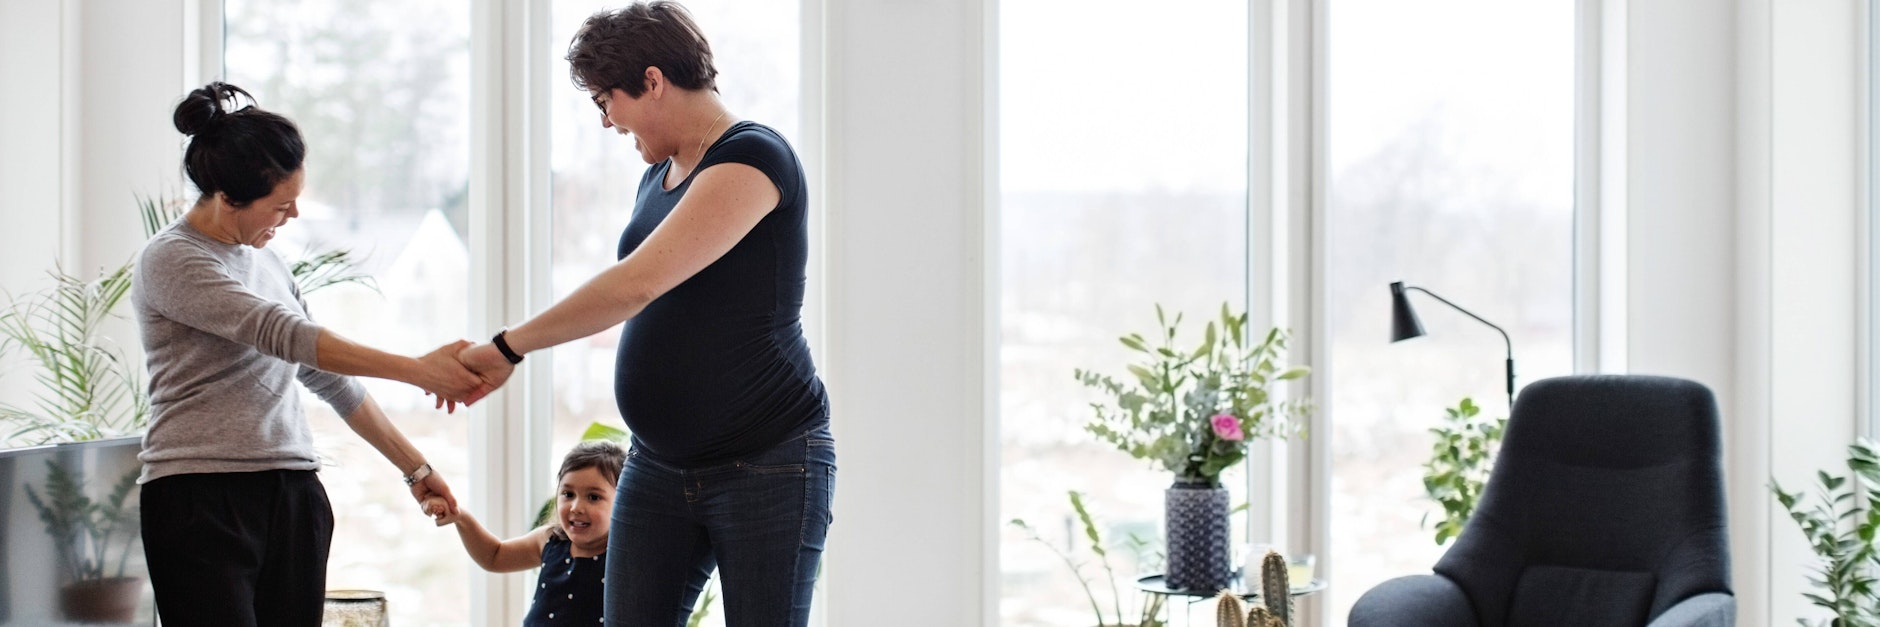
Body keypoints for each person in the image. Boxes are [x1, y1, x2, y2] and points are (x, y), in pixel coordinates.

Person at [455, 3, 834, 624]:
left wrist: (506, 347)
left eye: (607, 100)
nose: (607, 121)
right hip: (658, 464)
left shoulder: (753, 157)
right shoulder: (658, 173)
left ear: (652, 80)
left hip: (766, 461)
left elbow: (637, 284)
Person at [134, 82, 488, 626]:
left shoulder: (268, 263)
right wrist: (418, 370)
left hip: (293, 492)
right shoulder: (172, 259)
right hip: (200, 497)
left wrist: (415, 467)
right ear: (227, 198)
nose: (294, 214)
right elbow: (283, 334)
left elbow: (324, 374)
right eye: (281, 205)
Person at [429, 440, 627, 626]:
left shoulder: (626, 556)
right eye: (568, 494)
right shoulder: (550, 539)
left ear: (623, 502)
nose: (576, 507)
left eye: (593, 497)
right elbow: (494, 556)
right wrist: (461, 517)